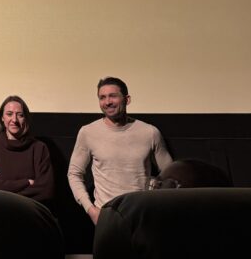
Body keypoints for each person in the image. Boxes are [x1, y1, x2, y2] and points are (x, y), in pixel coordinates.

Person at [67, 77, 172, 224]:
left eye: (113, 96)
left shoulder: (150, 132)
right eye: (102, 97)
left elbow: (170, 174)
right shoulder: (88, 132)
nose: (107, 102)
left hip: (143, 215)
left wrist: (155, 194)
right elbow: (74, 174)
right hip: (106, 216)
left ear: (127, 99)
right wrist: (91, 210)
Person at [0, 95, 54, 202]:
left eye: (20, 115)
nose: (14, 120)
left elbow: (46, 191)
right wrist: (27, 182)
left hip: (30, 213)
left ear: (26, 118)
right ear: (2, 118)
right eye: (9, 114)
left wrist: (1, 185)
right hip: (0, 213)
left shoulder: (39, 148)